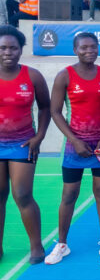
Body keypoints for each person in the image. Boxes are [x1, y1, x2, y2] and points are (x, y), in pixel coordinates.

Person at [45, 33, 100, 265]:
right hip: (73, 145)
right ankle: (62, 244)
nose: (89, 51)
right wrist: (74, 140)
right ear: (75, 50)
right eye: (84, 47)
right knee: (69, 194)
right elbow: (55, 111)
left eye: (93, 47)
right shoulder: (64, 75)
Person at [0, 25, 50, 264]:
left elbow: (45, 108)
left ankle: (36, 246)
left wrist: (39, 136)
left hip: (22, 144)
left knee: (22, 195)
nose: (7, 52)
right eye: (2, 48)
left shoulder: (32, 76)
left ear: (21, 50)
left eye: (13, 48)